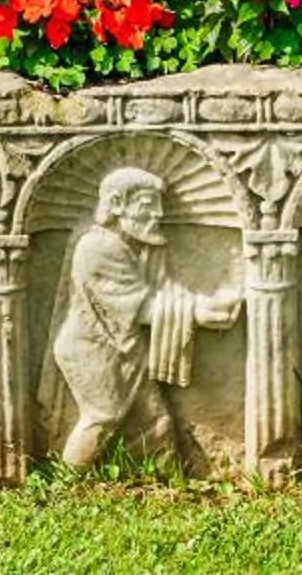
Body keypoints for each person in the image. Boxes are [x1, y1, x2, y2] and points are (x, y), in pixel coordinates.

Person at [44, 165, 240, 473]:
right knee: (102, 417)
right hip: (93, 350)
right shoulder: (97, 247)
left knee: (155, 422)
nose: (158, 214)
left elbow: (160, 292)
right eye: (147, 204)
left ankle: (162, 482)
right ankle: (63, 484)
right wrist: (197, 312)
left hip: (124, 347)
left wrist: (201, 304)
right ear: (117, 204)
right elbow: (138, 305)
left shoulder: (132, 247)